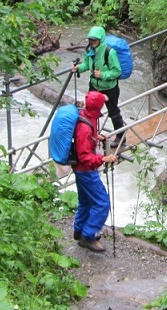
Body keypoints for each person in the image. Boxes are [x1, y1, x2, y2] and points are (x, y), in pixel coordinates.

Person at [72, 90, 118, 252]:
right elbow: (84, 156)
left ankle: (79, 229)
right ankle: (88, 236)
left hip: (80, 169)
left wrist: (96, 136)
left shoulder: (87, 117)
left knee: (85, 200)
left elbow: (85, 137)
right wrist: (103, 159)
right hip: (86, 170)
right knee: (102, 203)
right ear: (98, 106)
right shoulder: (85, 128)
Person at [71, 26, 124, 139]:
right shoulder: (90, 51)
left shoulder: (110, 52)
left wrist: (103, 75)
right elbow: (86, 64)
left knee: (113, 112)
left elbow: (117, 71)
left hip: (109, 88)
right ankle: (92, 135)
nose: (92, 42)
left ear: (101, 39)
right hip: (94, 85)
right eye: (91, 40)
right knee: (90, 111)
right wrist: (79, 68)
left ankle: (120, 137)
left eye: (95, 40)